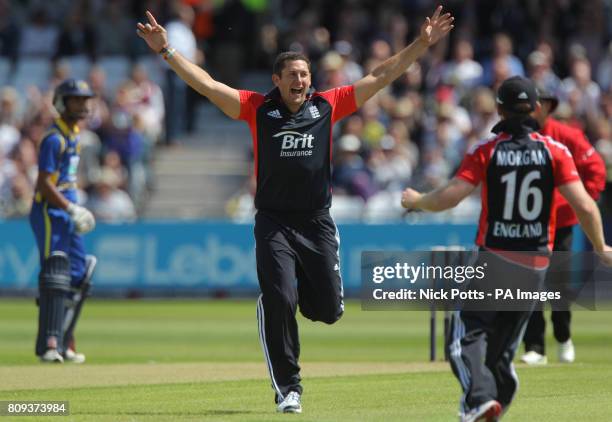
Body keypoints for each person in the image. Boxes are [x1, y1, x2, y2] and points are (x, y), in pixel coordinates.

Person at [136, 7, 453, 414]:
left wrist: (421, 44)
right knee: (279, 298)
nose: (300, 81)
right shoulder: (257, 109)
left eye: (304, 75)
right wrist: (168, 53)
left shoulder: (327, 106)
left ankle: (288, 295)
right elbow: (209, 86)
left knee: (329, 311)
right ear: (277, 82)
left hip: (317, 222)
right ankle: (289, 386)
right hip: (273, 222)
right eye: (292, 76)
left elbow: (381, 75)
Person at [401, 76, 612, 422]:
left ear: (499, 109)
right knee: (500, 351)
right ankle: (490, 403)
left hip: (496, 256)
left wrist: (419, 201)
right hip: (536, 263)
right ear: (536, 109)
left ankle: (481, 399)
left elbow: (452, 196)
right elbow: (586, 207)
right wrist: (601, 246)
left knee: (463, 338)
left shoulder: (486, 150)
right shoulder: (555, 151)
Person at [521, 89, 606, 365]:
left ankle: (563, 336)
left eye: (536, 104)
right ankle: (534, 346)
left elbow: (595, 168)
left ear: (546, 107)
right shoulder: (518, 138)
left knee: (558, 285)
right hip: (531, 224)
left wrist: (581, 201)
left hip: (564, 223)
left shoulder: (567, 136)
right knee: (530, 285)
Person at [29, 79, 97, 364]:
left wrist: (74, 205)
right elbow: (44, 184)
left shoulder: (75, 135)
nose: (82, 106)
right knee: (54, 274)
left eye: (84, 100)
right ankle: (49, 344)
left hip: (68, 211)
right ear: (61, 102)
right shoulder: (54, 138)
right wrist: (70, 207)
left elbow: (66, 179)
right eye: (75, 100)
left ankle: (66, 339)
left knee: (79, 275)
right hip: (49, 212)